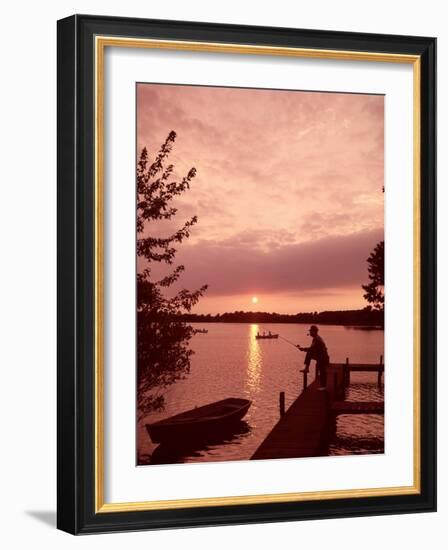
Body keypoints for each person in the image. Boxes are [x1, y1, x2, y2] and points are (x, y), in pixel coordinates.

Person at [297, 325, 329, 390]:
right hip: (319, 356)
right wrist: (303, 349)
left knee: (322, 371)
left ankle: (323, 387)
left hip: (323, 357)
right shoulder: (316, 338)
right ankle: (306, 368)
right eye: (310, 331)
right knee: (309, 353)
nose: (310, 332)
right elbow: (312, 349)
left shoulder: (316, 339)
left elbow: (311, 349)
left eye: (311, 331)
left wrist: (302, 349)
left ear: (314, 331)